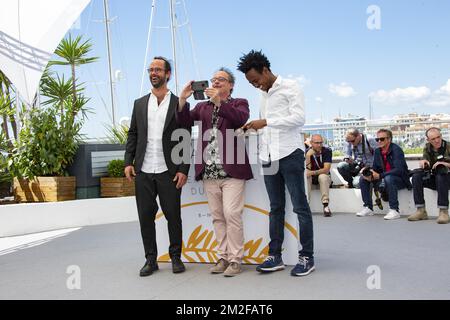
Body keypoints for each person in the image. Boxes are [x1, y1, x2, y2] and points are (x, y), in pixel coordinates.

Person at [238, 50, 315, 277]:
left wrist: (266, 121)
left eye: (256, 80)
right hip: (268, 156)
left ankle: (307, 257)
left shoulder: (291, 87)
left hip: (290, 153)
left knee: (301, 207)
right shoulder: (264, 94)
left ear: (265, 70)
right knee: (275, 208)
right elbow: (267, 127)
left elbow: (299, 119)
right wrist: (253, 127)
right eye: (251, 83)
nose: (255, 85)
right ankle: (275, 256)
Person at [176, 67, 253, 277]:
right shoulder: (202, 107)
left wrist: (220, 102)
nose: (216, 82)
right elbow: (183, 122)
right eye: (213, 79)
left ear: (230, 85)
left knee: (231, 214)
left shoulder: (240, 103)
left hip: (233, 171)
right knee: (218, 217)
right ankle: (223, 257)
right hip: (208, 172)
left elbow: (239, 120)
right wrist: (183, 99)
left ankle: (236, 259)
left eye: (221, 79)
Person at [124, 56, 191, 277]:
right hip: (143, 169)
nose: (154, 73)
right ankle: (150, 259)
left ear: (167, 74)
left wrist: (183, 168)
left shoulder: (179, 104)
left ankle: (175, 257)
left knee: (173, 215)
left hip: (169, 170)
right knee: (145, 215)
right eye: (151, 69)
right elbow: (133, 133)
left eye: (158, 69)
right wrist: (128, 161)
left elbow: (185, 137)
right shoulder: (139, 103)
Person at [356, 129, 411, 220]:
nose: (379, 141)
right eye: (377, 139)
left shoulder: (396, 150)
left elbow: (399, 170)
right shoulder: (378, 151)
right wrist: (370, 173)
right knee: (363, 179)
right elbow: (376, 168)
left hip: (400, 180)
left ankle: (394, 210)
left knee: (389, 178)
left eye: (382, 139)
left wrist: (380, 176)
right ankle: (368, 207)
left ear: (389, 139)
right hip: (384, 178)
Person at [408, 127, 450, 224]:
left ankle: (443, 211)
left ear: (441, 136)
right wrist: (424, 162)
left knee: (441, 174)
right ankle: (421, 210)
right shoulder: (427, 147)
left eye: (438, 137)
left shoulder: (448, 146)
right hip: (435, 179)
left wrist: (446, 164)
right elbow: (426, 160)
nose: (437, 140)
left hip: (446, 178)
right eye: (433, 139)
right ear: (428, 140)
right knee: (416, 176)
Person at [305, 134, 333, 217]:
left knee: (322, 176)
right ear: (311, 143)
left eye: (321, 142)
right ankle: (306, 206)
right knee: (306, 177)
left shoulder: (327, 151)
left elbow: (326, 169)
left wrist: (313, 172)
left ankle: (326, 206)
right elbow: (308, 169)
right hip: (312, 179)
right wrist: (308, 156)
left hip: (324, 178)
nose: (319, 145)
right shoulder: (307, 152)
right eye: (316, 143)